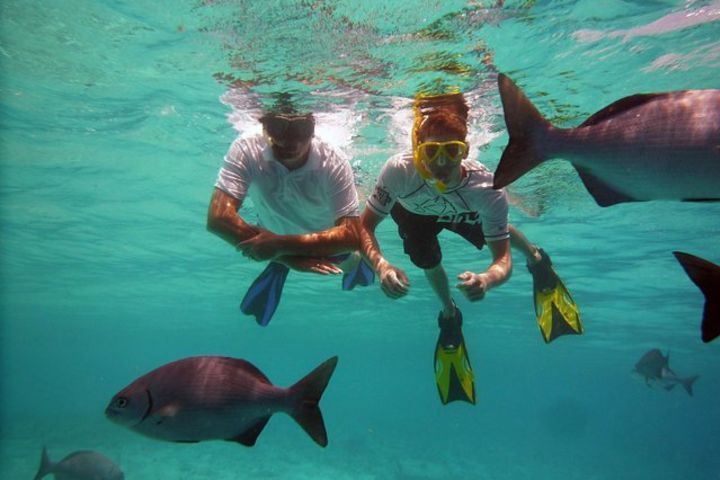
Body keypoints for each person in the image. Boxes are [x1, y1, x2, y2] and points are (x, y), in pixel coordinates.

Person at [359, 92, 582, 405]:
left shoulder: (484, 188)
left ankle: (537, 260)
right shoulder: (398, 171)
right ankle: (449, 314)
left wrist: (488, 279)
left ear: (464, 151)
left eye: (451, 151)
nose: (441, 163)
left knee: (493, 230)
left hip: (457, 207)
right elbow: (364, 227)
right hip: (412, 213)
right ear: (417, 149)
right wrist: (380, 265)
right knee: (427, 261)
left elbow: (501, 257)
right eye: (432, 151)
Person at [207, 107, 373, 326]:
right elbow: (218, 217)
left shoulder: (333, 160)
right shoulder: (247, 148)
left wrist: (280, 247)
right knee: (280, 254)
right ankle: (280, 265)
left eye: (302, 129)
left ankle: (282, 265)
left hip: (324, 247)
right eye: (279, 127)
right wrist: (284, 256)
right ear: (264, 127)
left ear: (313, 128)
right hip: (271, 242)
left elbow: (351, 236)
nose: (291, 141)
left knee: (350, 262)